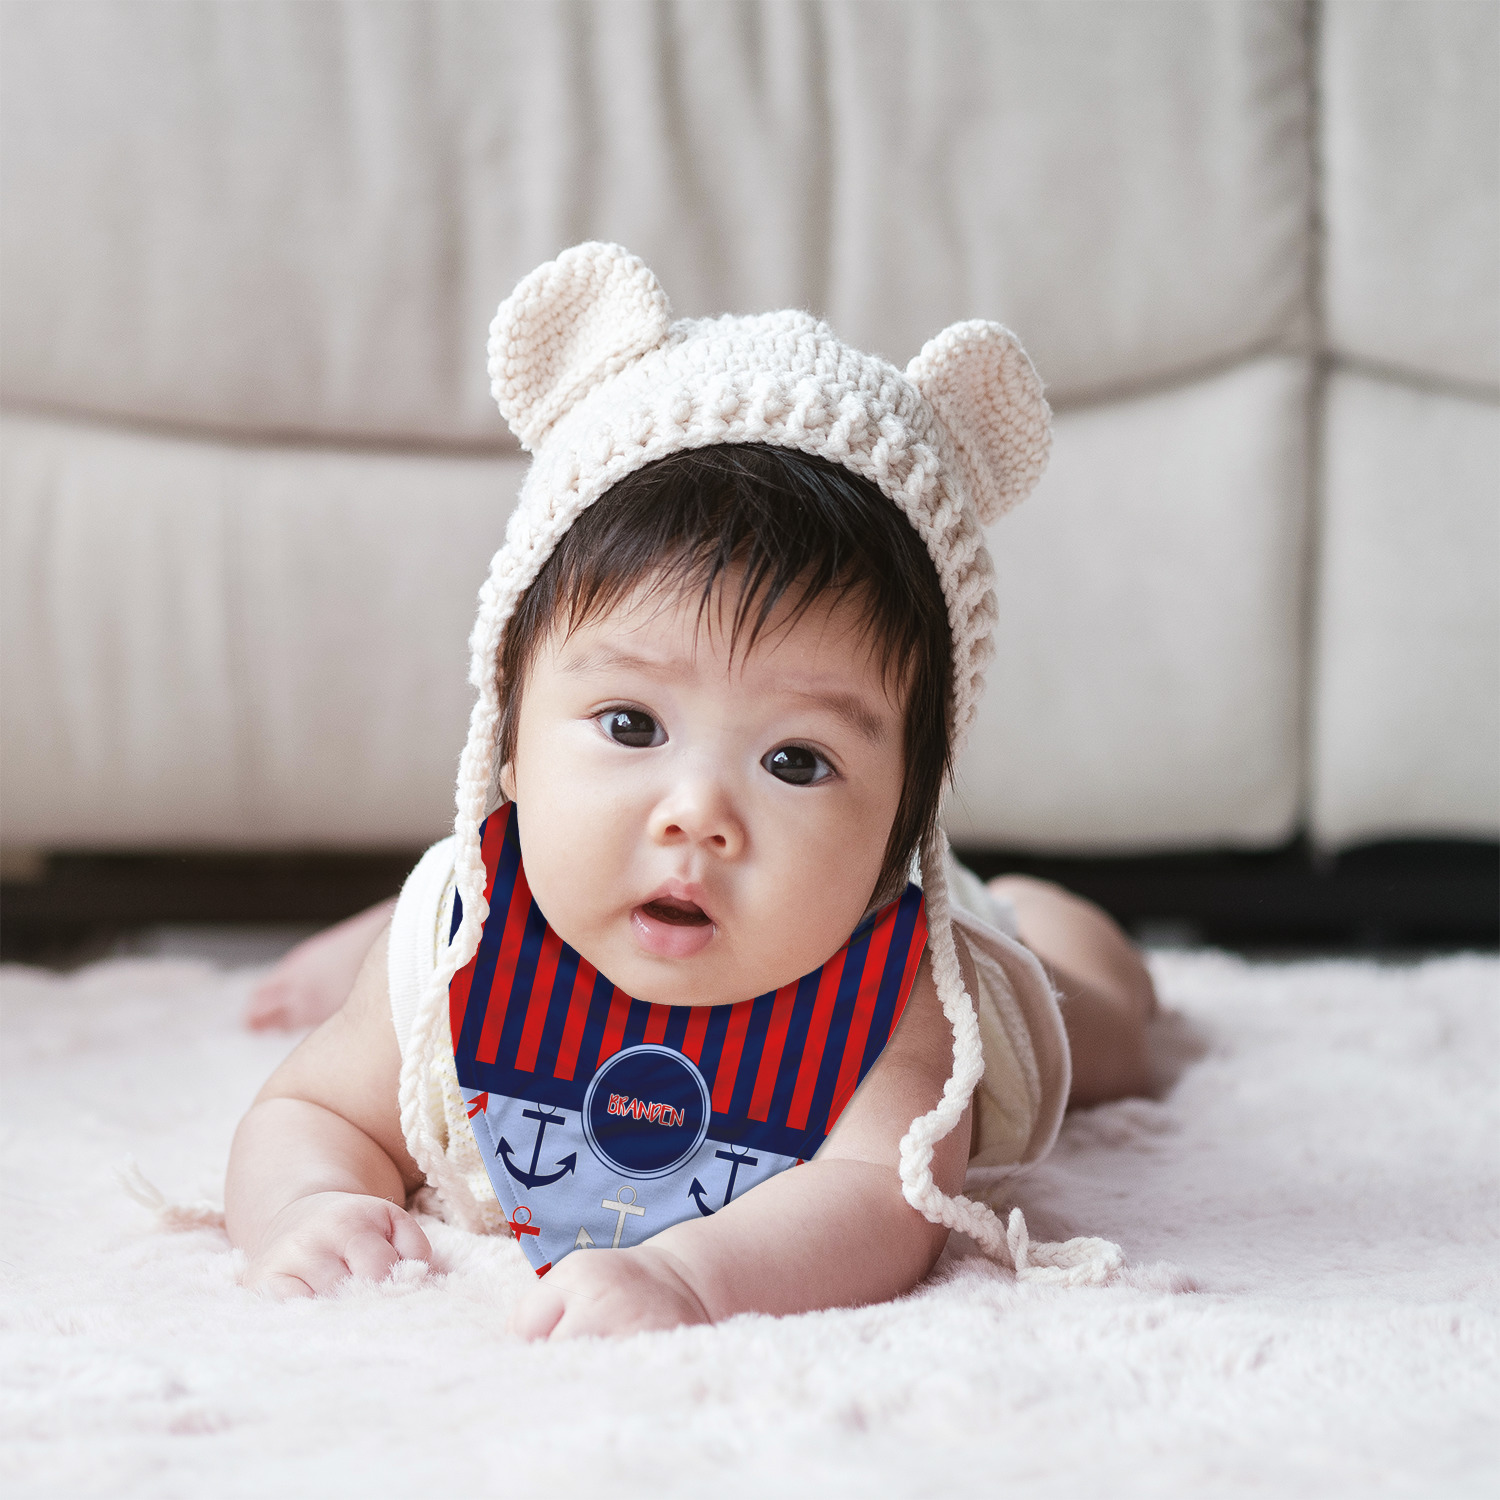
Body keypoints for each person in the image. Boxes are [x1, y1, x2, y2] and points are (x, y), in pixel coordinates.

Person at [225, 243, 1156, 1338]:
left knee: (1112, 1035)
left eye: (796, 761)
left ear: (905, 816)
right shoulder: (460, 941)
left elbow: (880, 1199)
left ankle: (1050, 917)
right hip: (525, 883)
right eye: (631, 726)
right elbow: (311, 1108)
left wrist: (691, 1277)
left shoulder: (909, 1003)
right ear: (507, 740)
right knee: (412, 953)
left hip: (970, 945)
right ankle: (377, 925)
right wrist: (310, 1201)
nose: (697, 815)